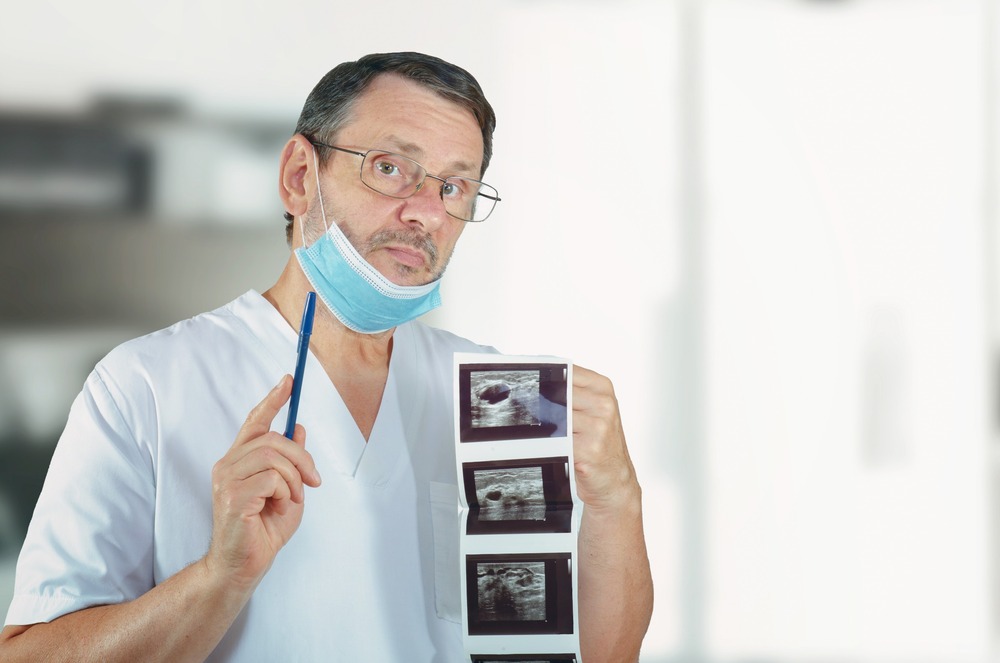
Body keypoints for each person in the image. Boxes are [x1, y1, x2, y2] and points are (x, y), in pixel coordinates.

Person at [0, 52, 653, 662]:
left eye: (456, 187)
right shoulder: (146, 385)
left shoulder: (497, 397)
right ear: (299, 177)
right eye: (391, 168)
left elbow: (593, 654)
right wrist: (220, 578)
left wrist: (617, 497)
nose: (426, 211)